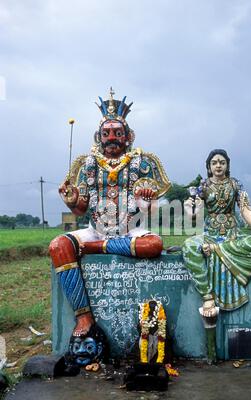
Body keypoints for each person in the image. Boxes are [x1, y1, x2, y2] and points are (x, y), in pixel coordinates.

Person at [49, 88, 170, 338]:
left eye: (117, 133)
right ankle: (84, 317)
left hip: (131, 231)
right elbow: (81, 208)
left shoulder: (141, 163)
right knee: (58, 246)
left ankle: (98, 247)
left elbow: (151, 209)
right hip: (96, 230)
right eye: (107, 133)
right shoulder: (88, 165)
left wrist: (146, 200)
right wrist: (71, 201)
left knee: (155, 244)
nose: (112, 137)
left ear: (128, 136)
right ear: (98, 137)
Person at [182, 149, 251, 318]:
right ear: (209, 167)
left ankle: (216, 249)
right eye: (214, 162)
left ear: (227, 165)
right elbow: (195, 214)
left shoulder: (235, 185)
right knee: (188, 246)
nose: (218, 165)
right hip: (210, 234)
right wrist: (191, 210)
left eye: (222, 162)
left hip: (233, 236)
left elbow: (245, 209)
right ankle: (207, 296)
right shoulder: (203, 187)